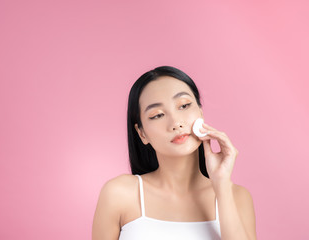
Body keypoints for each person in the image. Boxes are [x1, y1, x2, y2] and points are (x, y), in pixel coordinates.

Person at [92, 66, 257, 240]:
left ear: (200, 112)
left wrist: (222, 185)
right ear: (142, 133)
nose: (176, 122)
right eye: (157, 115)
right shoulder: (119, 193)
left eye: (184, 105)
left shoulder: (237, 197)